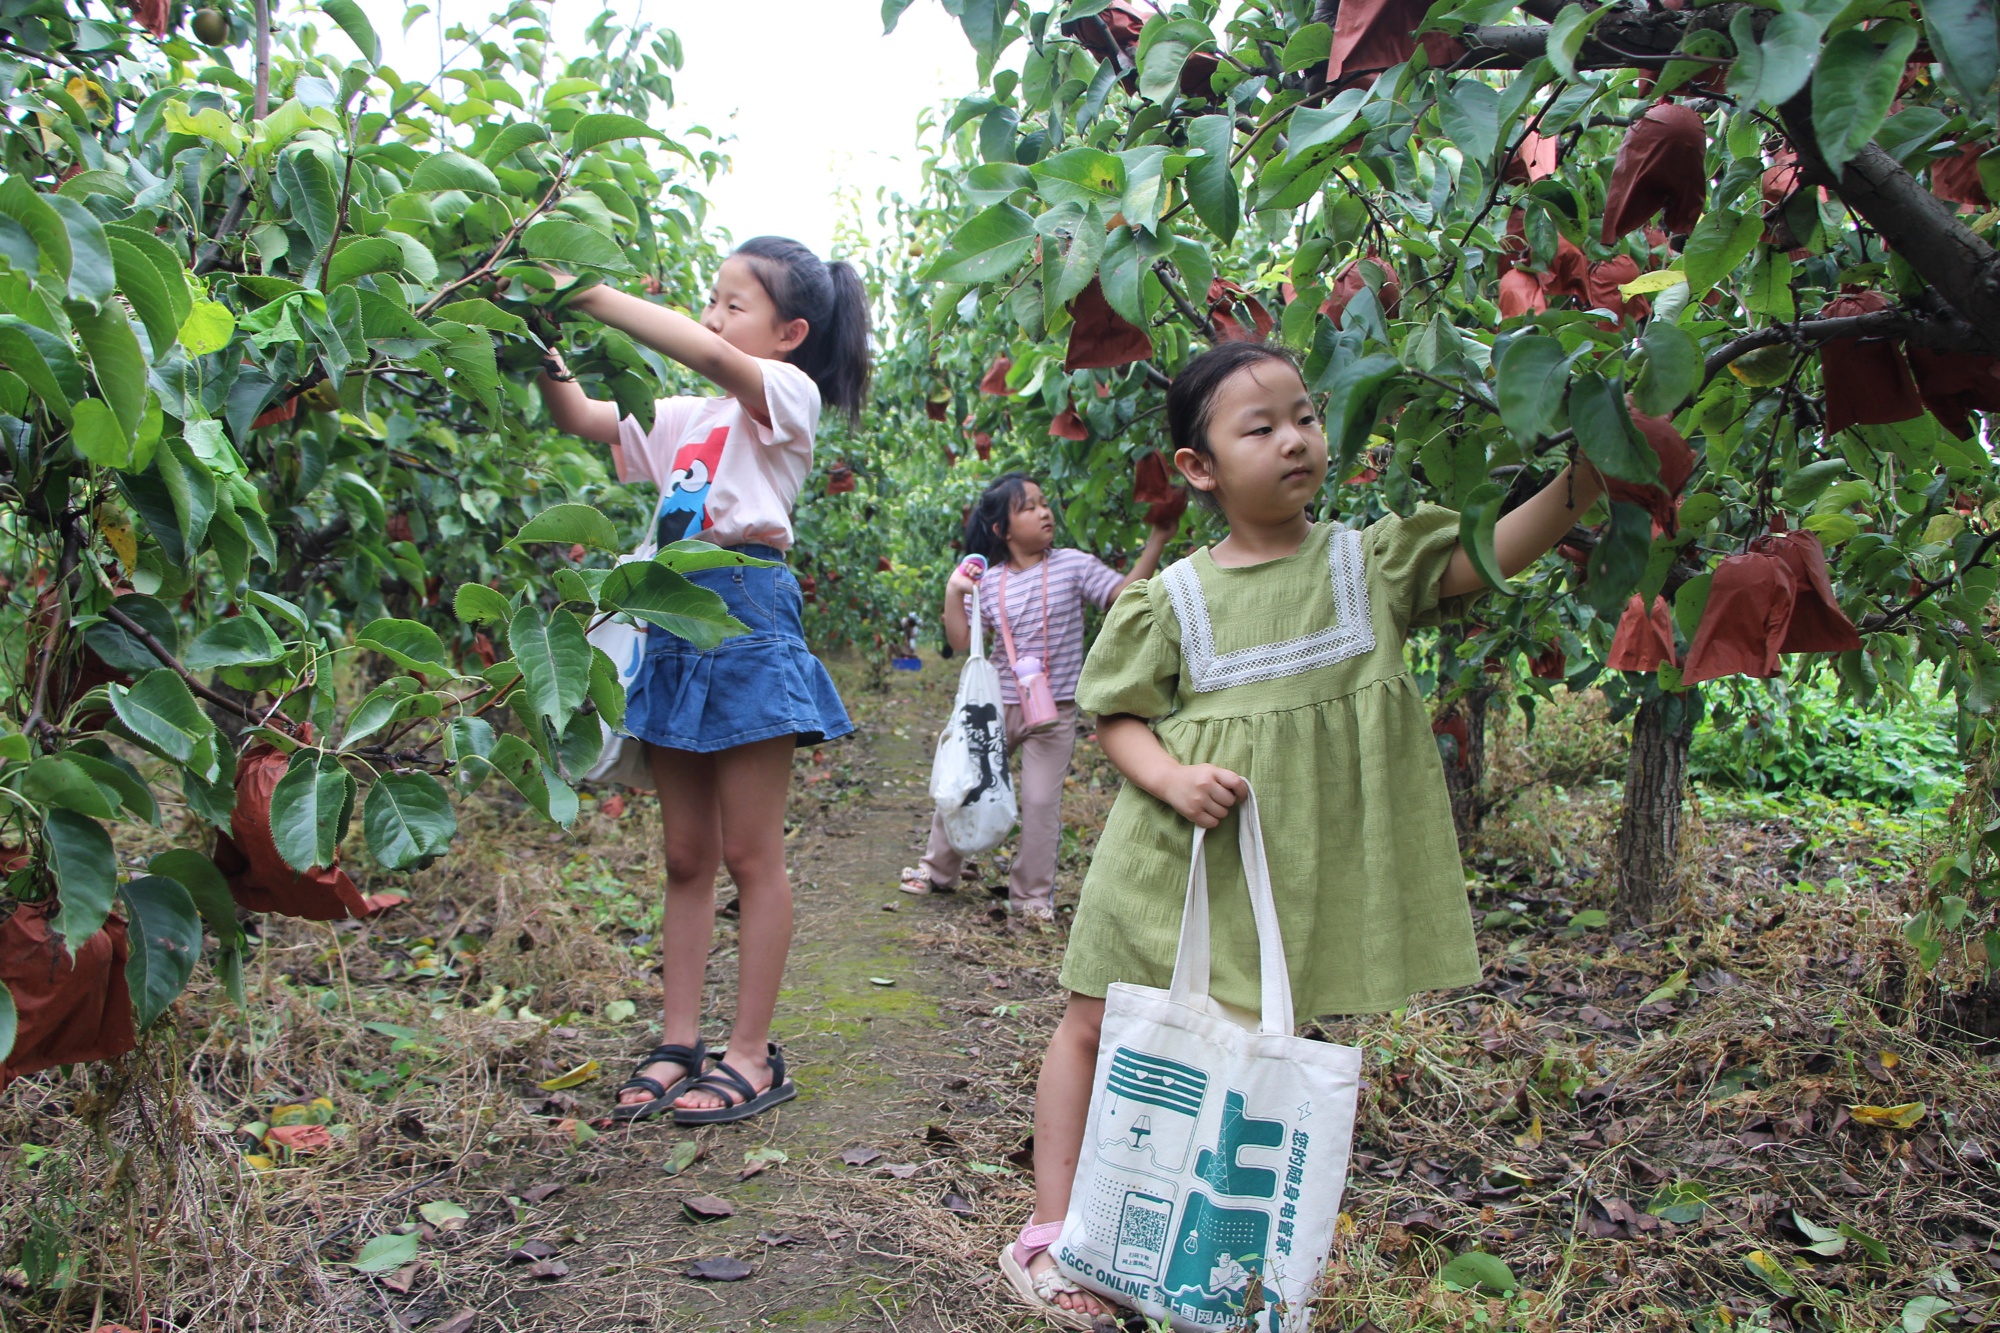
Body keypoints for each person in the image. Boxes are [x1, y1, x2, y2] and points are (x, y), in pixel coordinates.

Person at [999, 341, 1608, 1323]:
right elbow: (1112, 715)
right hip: (1167, 860)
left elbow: (1485, 553)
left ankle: (1176, 1253)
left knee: (1239, 1060)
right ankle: (1056, 1232)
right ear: (1197, 467)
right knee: (1091, 1025)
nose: (1293, 440)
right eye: (1260, 426)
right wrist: (1172, 774)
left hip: (1279, 882)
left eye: (1304, 418)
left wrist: (1584, 476)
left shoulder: (1363, 564)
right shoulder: (1177, 597)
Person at [536, 236, 869, 1125]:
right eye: (709, 298)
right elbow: (582, 418)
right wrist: (536, 330)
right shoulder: (685, 416)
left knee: (752, 854)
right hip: (669, 613)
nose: (713, 316)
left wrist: (588, 290)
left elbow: (713, 354)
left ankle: (752, 1053)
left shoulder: (785, 397)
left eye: (733, 302)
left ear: (791, 332)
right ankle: (677, 1039)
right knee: (686, 855)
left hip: (748, 610)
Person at [900, 473, 1181, 920]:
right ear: (1002, 531)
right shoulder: (989, 582)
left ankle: (1032, 895)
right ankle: (937, 870)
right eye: (1028, 507)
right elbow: (959, 640)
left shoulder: (1073, 564)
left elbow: (1122, 597)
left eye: (1043, 503)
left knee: (1039, 803)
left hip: (1056, 709)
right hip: (995, 709)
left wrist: (1157, 540)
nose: (1043, 511)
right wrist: (955, 590)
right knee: (967, 783)